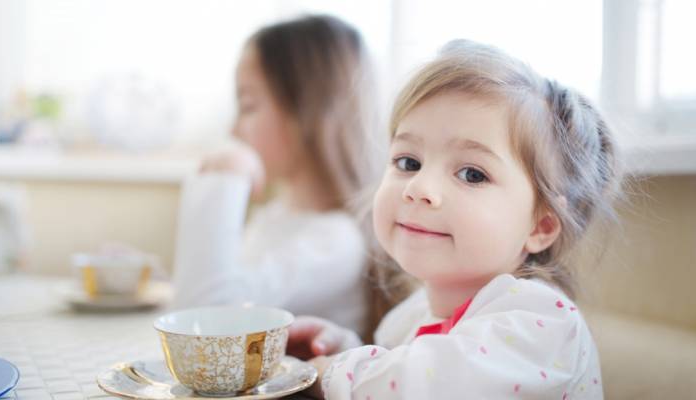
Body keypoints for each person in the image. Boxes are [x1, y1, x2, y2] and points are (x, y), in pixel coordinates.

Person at [288, 40, 622, 399]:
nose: (418, 187)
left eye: (472, 174)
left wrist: (334, 373)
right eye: (408, 162)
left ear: (540, 227)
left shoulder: (543, 323)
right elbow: (404, 369)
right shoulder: (410, 316)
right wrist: (340, 350)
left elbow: (426, 384)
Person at [171, 15, 387, 335]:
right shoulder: (276, 216)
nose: (233, 129)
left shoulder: (336, 240)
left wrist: (225, 176)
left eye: (248, 105)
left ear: (306, 112)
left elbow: (202, 320)